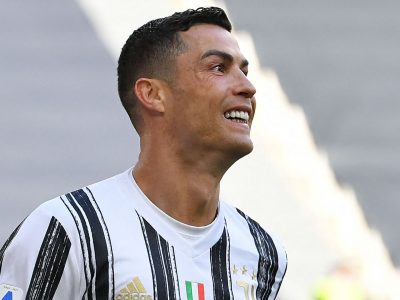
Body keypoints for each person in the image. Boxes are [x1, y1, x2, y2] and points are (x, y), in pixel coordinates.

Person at [0, 7, 287, 300]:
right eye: (218, 67)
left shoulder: (262, 251)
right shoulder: (70, 228)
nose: (248, 87)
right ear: (153, 94)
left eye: (245, 71)